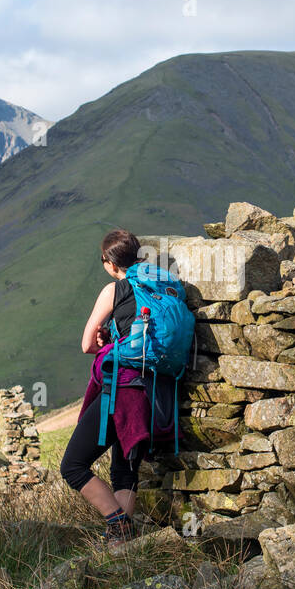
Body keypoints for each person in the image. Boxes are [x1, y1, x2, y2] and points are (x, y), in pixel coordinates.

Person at [58, 229, 174, 544]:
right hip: (156, 391)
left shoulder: (114, 290)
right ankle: (122, 548)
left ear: (111, 264)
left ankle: (118, 525)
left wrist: (106, 344)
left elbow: (86, 345)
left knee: (72, 466)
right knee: (124, 471)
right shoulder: (161, 286)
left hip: (122, 391)